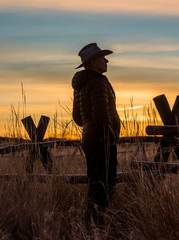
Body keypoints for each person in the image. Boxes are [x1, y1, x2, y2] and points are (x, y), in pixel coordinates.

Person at [71, 43, 121, 225]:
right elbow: (101, 115)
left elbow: (77, 117)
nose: (106, 60)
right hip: (102, 140)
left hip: (89, 138)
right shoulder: (98, 81)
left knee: (95, 183)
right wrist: (108, 138)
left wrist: (89, 127)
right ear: (93, 62)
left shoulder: (80, 84)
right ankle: (96, 225)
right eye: (102, 57)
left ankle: (91, 224)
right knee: (106, 184)